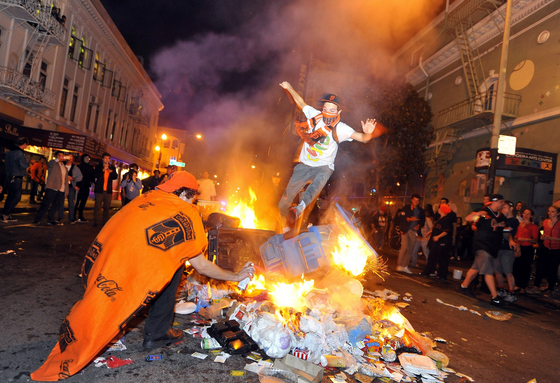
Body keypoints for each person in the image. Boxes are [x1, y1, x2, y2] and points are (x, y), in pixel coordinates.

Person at [30, 171, 255, 381]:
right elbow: (202, 266)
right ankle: (156, 334)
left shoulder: (146, 199)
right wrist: (236, 276)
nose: (194, 201)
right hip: (134, 267)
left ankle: (146, 328)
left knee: (107, 300)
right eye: (194, 196)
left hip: (113, 260)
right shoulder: (187, 213)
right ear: (187, 193)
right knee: (170, 268)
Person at [277, 81, 380, 228]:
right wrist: (289, 88)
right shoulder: (315, 116)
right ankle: (285, 226)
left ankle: (298, 210)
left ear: (339, 112)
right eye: (325, 108)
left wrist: (368, 134)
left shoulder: (340, 129)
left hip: (323, 167)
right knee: (283, 202)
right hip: (304, 165)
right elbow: (300, 102)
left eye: (332, 110)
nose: (327, 112)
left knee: (315, 187)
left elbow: (362, 138)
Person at [458, 194, 507, 305]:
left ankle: (463, 286)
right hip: (482, 246)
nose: (502, 204)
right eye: (501, 202)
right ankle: (495, 297)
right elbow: (468, 218)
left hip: (492, 247)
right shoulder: (484, 211)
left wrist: (512, 241)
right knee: (488, 272)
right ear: (495, 201)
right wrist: (478, 214)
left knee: (475, 268)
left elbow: (505, 231)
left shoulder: (501, 216)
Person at [529, 205, 560, 297]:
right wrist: (542, 238)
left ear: (558, 213)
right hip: (545, 247)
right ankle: (536, 285)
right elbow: (542, 233)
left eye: (552, 211)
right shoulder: (545, 222)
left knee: (553, 269)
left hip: (556, 249)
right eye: (549, 211)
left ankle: (550, 288)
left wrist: (550, 237)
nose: (549, 213)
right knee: (540, 267)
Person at [493, 200, 519, 303]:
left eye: (505, 207)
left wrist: (498, 225)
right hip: (498, 247)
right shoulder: (500, 219)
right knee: (497, 270)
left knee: (508, 271)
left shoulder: (513, 220)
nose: (502, 209)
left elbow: (506, 230)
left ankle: (512, 293)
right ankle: (501, 289)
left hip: (507, 249)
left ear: (511, 208)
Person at [33, 151, 68, 226]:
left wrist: (66, 190)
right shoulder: (53, 163)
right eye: (59, 155)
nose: (61, 157)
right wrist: (57, 159)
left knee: (56, 205)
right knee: (46, 203)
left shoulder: (64, 167)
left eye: (62, 156)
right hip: (52, 187)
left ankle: (51, 219)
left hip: (61, 188)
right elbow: (49, 164)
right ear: (56, 156)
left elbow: (65, 179)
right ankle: (38, 218)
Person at [422, 204, 454, 280]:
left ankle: (442, 276)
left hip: (442, 243)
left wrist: (438, 236)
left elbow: (446, 231)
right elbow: (437, 228)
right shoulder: (440, 218)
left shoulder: (447, 219)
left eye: (440, 208)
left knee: (442, 260)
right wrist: (430, 232)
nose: (438, 209)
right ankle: (427, 272)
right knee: (432, 257)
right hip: (436, 243)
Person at [394, 194, 425, 274]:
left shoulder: (421, 210)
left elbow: (422, 221)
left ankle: (405, 266)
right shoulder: (406, 208)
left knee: (410, 249)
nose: (416, 202)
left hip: (413, 232)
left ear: (419, 201)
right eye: (414, 200)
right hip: (405, 230)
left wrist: (418, 226)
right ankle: (399, 265)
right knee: (404, 247)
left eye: (417, 200)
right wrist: (409, 219)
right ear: (411, 200)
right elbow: (400, 218)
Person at [2, 137, 29, 222]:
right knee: (16, 197)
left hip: (9, 176)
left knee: (10, 196)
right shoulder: (20, 153)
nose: (26, 146)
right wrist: (29, 163)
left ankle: (6, 214)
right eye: (26, 145)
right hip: (16, 177)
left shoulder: (9, 152)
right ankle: (5, 214)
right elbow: (23, 165)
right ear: (24, 144)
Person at [513, 208, 538, 294]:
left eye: (528, 214)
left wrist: (524, 239)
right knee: (516, 266)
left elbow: (535, 240)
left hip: (527, 248)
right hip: (518, 247)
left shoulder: (533, 227)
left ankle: (523, 286)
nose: (526, 215)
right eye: (524, 213)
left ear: (531, 216)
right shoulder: (519, 224)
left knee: (525, 267)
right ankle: (517, 284)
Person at [93, 152, 117, 227]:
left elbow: (115, 177)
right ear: (103, 159)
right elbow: (95, 175)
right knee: (97, 206)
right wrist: (103, 170)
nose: (107, 160)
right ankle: (96, 222)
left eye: (108, 158)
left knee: (107, 207)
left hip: (108, 191)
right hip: (99, 190)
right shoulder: (98, 166)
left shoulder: (112, 167)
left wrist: (111, 172)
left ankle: (105, 222)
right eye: (105, 158)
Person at [76, 154, 95, 223]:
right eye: (86, 158)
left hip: (86, 186)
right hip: (79, 186)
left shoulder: (90, 167)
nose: (87, 159)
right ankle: (74, 216)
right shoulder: (79, 167)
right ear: (83, 159)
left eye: (88, 158)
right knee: (76, 201)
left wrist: (93, 185)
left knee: (83, 202)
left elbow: (92, 177)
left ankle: (80, 216)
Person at [65, 155, 83, 224]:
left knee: (71, 202)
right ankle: (60, 217)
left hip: (71, 186)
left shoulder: (75, 168)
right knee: (59, 202)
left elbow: (80, 177)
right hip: (62, 186)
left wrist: (73, 179)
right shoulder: (62, 166)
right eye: (68, 157)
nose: (70, 159)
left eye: (71, 158)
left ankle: (71, 218)